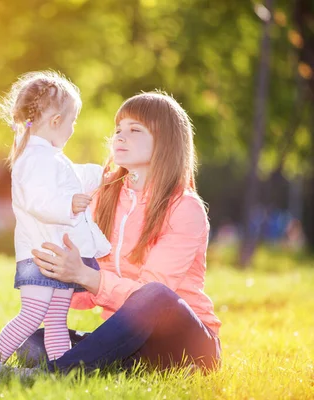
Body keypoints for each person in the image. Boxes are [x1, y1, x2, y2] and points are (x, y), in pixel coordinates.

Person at [23, 91, 222, 374]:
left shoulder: (185, 208)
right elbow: (91, 289)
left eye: (134, 130)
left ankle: (54, 373)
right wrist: (56, 273)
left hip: (189, 345)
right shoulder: (103, 197)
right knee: (31, 342)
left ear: (165, 142)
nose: (120, 136)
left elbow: (149, 298)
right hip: (134, 340)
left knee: (155, 294)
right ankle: (118, 366)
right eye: (118, 129)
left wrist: (84, 275)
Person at [0, 71, 111, 374]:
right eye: (72, 122)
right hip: (39, 255)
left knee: (55, 320)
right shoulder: (34, 159)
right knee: (32, 314)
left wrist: (102, 174)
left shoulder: (50, 157)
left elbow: (73, 177)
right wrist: (68, 205)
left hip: (56, 256)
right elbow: (36, 201)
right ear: (55, 121)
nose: (72, 129)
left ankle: (60, 373)